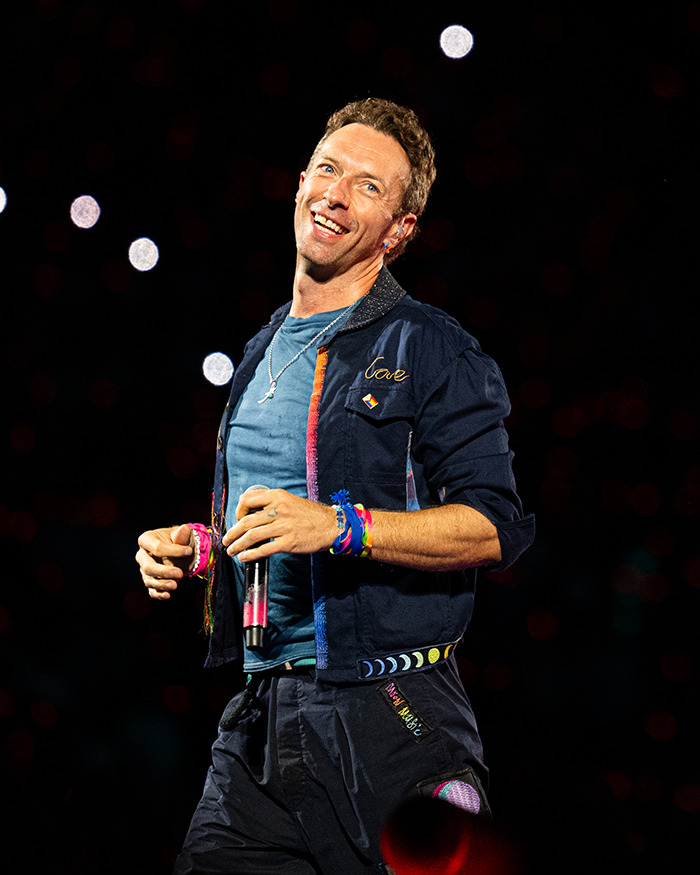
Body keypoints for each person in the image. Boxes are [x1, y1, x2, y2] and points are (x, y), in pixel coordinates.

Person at [136, 97, 535, 875]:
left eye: (368, 186)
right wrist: (203, 549)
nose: (335, 193)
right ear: (298, 183)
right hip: (259, 723)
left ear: (400, 230)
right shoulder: (257, 352)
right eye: (327, 169)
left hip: (391, 717)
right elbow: (282, 521)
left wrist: (341, 526)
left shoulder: (430, 346)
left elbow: (493, 527)